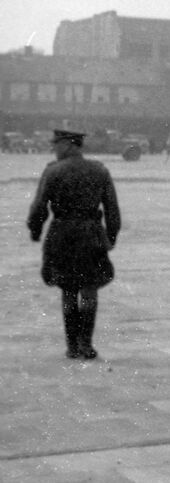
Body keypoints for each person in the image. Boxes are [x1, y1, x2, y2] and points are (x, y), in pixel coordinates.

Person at [27, 129, 121, 360]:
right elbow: (112, 210)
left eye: (57, 144)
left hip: (62, 235)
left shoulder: (53, 171)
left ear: (70, 145)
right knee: (89, 290)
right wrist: (110, 237)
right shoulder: (100, 170)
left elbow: (38, 207)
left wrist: (35, 231)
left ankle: (72, 346)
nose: (54, 149)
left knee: (68, 290)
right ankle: (86, 345)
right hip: (91, 235)